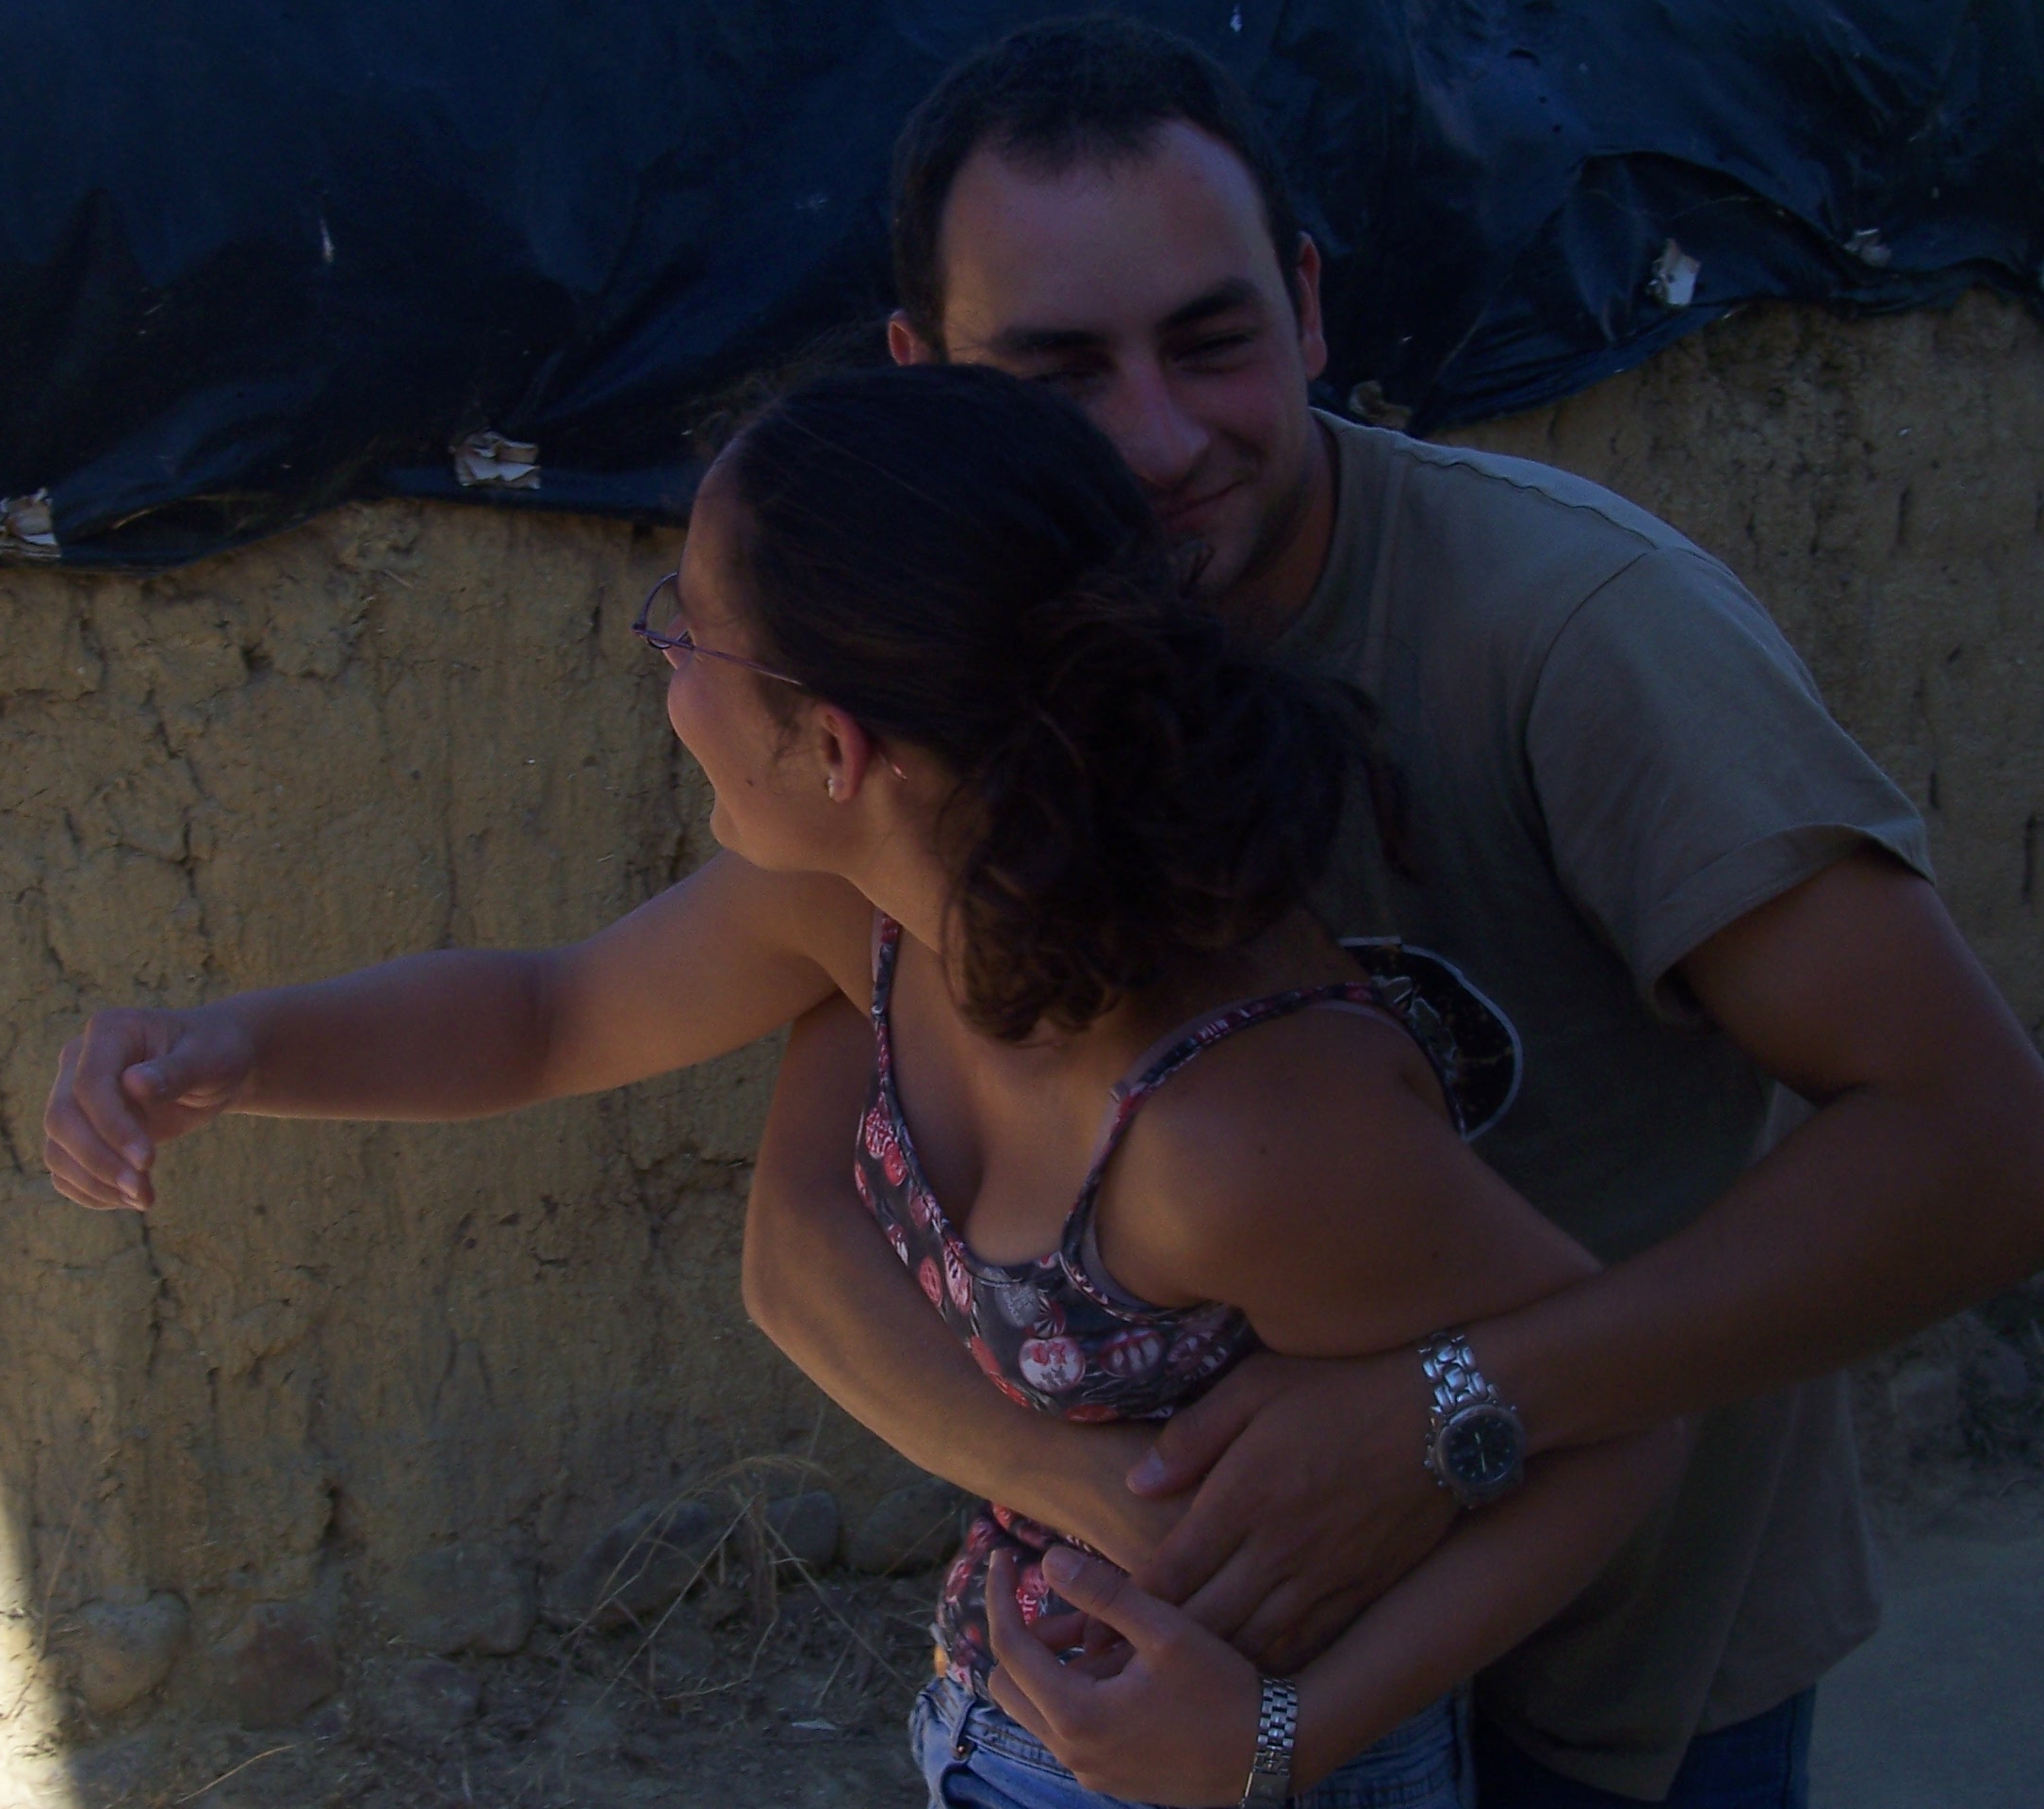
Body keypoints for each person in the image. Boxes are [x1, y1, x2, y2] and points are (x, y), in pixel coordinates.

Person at [44, 363, 1684, 1806]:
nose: (663, 669)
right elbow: (550, 1016)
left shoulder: (1238, 1130)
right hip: (1005, 1736)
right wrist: (238, 1050)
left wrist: (1285, 1737)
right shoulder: (871, 912)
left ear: (834, 750)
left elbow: (1622, 1428)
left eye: (684, 629)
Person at [736, 17, 2044, 1809]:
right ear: (925, 381)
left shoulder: (1573, 638)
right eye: (1058, 375)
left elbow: (1982, 1148)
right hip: (1224, 1663)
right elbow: (794, 1219)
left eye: (1214, 341)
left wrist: (1445, 1408)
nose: (1159, 439)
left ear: (1308, 307)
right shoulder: (947, 691)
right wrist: (1103, 1497)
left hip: (1619, 1675)